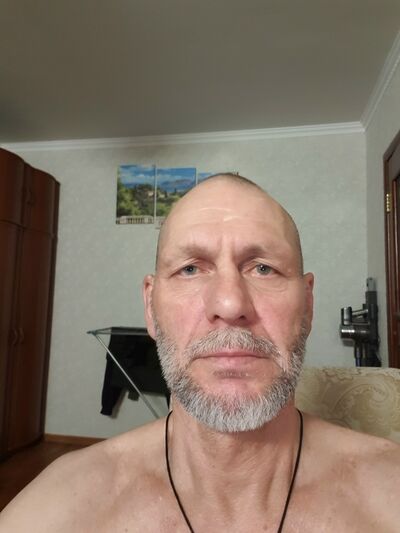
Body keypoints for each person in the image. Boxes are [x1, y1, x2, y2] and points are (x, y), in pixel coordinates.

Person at [1, 173, 399, 532]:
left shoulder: (388, 492)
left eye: (263, 268)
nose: (229, 304)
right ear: (150, 306)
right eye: (190, 269)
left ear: (308, 305)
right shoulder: (60, 506)